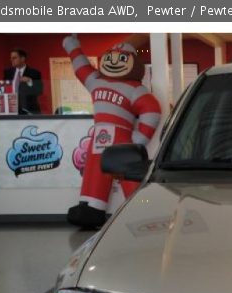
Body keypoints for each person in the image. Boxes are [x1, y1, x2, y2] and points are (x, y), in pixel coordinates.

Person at [62, 34, 161, 229]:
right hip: (99, 136)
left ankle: (140, 209)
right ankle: (91, 209)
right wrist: (71, 44)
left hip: (122, 138)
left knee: (128, 173)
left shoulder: (135, 89)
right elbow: (80, 67)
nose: (115, 62)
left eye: (122, 58)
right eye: (111, 57)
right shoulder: (96, 81)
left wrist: (139, 138)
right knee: (94, 170)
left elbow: (152, 109)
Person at [3, 48, 43, 115]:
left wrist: (30, 81)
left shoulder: (34, 73)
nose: (11, 60)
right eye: (11, 58)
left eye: (14, 58)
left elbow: (39, 91)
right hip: (12, 108)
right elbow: (4, 88)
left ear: (22, 59)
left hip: (29, 110)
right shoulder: (8, 72)